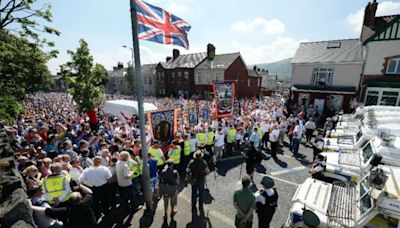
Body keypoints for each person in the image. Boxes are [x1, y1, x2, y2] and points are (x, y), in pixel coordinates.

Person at [31, 183, 97, 228]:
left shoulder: (67, 210)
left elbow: (48, 211)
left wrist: (31, 206)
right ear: (81, 198)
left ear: (69, 200)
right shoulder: (87, 202)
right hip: (91, 225)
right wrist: (79, 185)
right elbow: (89, 192)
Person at [186, 150, 210, 214]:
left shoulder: (191, 162)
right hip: (201, 180)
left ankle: (193, 206)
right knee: (201, 193)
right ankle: (200, 206)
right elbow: (207, 172)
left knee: (194, 193)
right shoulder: (203, 162)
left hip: (194, 179)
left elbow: (187, 170)